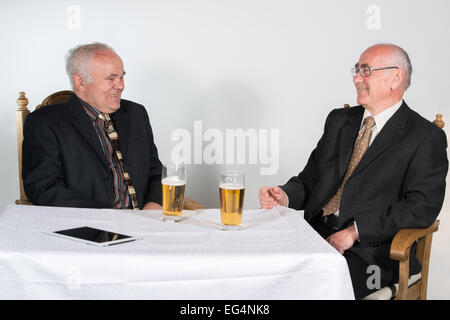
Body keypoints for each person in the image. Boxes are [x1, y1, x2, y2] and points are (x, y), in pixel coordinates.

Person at [259, 43, 448, 299]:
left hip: (373, 252)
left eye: (366, 70)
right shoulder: (339, 121)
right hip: (314, 233)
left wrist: (355, 231)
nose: (356, 78)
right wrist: (284, 195)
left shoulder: (425, 137)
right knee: (259, 270)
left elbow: (421, 207)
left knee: (309, 287)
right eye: (356, 70)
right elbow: (311, 179)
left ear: (395, 78)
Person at [22, 43, 163, 210]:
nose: (120, 86)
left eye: (121, 77)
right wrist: (106, 218)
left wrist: (153, 206)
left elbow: (155, 171)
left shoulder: (135, 114)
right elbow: (44, 189)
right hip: (89, 228)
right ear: (80, 82)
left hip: (144, 224)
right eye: (111, 78)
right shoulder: (45, 123)